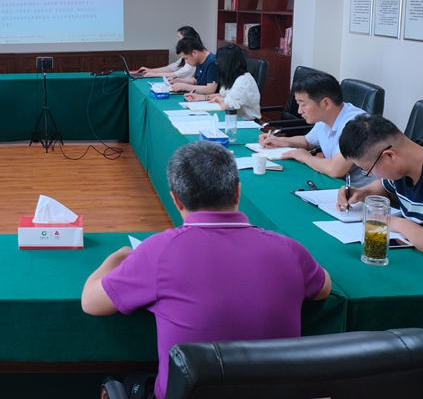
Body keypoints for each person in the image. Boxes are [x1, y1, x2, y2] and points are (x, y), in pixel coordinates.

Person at [81, 141, 330, 399]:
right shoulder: (289, 249)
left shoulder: (158, 252)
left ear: (176, 200)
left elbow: (90, 302)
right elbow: (323, 288)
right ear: (238, 192)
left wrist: (117, 257)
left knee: (134, 380)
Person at [336, 114, 423, 256]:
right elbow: (386, 188)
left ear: (389, 156)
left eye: (367, 169)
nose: (370, 175)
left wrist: (394, 223)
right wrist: (361, 193)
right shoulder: (404, 166)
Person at [258, 72, 367, 184]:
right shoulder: (325, 116)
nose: (299, 111)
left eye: (303, 104)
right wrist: (280, 141)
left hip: (360, 190)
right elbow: (307, 141)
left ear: (326, 103)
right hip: (337, 183)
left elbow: (335, 169)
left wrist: (306, 157)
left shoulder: (355, 124)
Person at [185, 44, 261, 120]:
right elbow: (223, 95)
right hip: (233, 118)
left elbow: (226, 106)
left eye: (217, 62)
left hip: (247, 122)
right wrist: (201, 97)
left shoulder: (243, 81)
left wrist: (221, 100)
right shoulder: (231, 77)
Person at [137, 26, 202, 80]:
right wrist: (151, 70)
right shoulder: (186, 53)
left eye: (179, 38)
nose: (178, 41)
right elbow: (173, 67)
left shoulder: (193, 55)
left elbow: (181, 73)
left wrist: (156, 74)